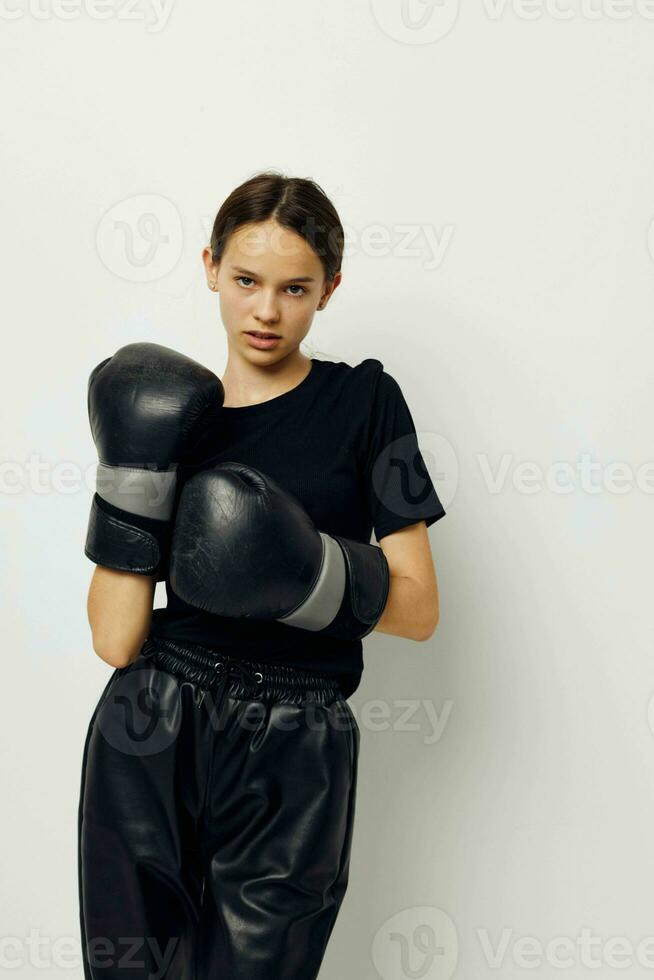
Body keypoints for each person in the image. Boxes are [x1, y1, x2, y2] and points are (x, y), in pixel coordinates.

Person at [77, 171, 446, 980]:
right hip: (153, 718)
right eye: (246, 281)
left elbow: (420, 609)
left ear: (330, 289)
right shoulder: (166, 413)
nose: (267, 311)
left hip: (298, 736)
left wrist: (309, 572)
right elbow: (115, 638)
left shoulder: (366, 402)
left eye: (295, 288)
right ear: (210, 266)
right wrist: (131, 472)